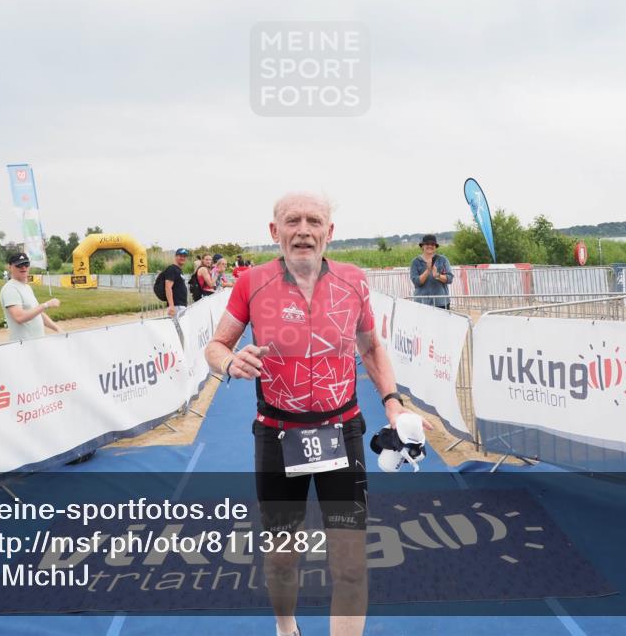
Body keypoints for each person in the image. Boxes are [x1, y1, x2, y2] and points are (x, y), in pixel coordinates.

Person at [204, 192, 429, 636]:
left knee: (349, 562)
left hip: (341, 431)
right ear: (275, 231)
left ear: (329, 232)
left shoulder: (353, 281)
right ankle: (286, 627)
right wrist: (229, 363)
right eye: (292, 221)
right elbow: (215, 346)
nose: (303, 230)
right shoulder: (252, 282)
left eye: (314, 221)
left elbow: (371, 347)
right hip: (276, 434)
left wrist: (391, 400)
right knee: (282, 556)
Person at [0, 252, 62, 341]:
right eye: (19, 265)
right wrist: (46, 305)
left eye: (26, 264)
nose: (23, 267)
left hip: (35, 343)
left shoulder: (26, 287)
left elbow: (38, 313)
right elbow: (19, 317)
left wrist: (57, 328)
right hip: (23, 346)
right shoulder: (10, 289)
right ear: (10, 267)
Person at [410, 234, 453, 309]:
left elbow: (450, 279)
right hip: (421, 303)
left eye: (433, 244)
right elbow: (416, 282)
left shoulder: (443, 260)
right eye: (427, 244)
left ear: (435, 247)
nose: (430, 246)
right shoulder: (415, 262)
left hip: (441, 302)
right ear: (422, 246)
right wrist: (428, 270)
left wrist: (437, 275)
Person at [161, 248, 189, 317]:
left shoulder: (178, 270)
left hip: (180, 305)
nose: (183, 258)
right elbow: (168, 287)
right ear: (176, 256)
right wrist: (171, 306)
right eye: (180, 256)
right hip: (176, 306)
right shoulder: (172, 269)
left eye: (184, 256)